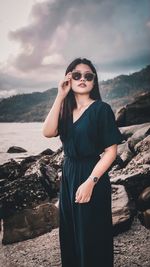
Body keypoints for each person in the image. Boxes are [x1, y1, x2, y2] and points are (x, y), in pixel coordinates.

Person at [42, 58, 124, 267]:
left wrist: (91, 182)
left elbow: (110, 152)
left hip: (91, 173)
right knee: (70, 236)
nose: (82, 79)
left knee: (92, 237)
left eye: (88, 76)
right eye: (76, 75)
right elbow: (48, 131)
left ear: (94, 82)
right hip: (68, 174)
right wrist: (60, 95)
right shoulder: (65, 111)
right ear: (68, 78)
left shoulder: (101, 109)